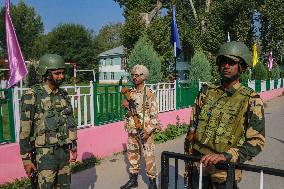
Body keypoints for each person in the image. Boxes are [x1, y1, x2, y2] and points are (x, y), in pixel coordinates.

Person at [184, 41, 265, 189]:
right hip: (198, 163)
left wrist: (226, 156)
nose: (226, 66)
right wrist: (188, 156)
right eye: (223, 62)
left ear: (242, 67)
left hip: (224, 169)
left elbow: (257, 141)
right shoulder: (206, 91)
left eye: (231, 62)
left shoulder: (250, 99)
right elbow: (193, 126)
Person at [19, 54, 78, 189]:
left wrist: (73, 145)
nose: (61, 76)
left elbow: (70, 121)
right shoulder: (32, 95)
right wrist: (26, 159)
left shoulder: (63, 94)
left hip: (63, 152)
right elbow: (25, 130)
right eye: (57, 73)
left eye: (62, 73)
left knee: (64, 186)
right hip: (44, 155)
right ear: (45, 73)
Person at [120, 64, 160, 189]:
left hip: (144, 132)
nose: (134, 77)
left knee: (149, 158)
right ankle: (133, 180)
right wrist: (125, 106)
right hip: (132, 131)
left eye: (137, 75)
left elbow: (154, 117)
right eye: (133, 75)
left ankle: (152, 183)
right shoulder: (130, 93)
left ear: (144, 77)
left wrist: (148, 131)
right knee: (132, 156)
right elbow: (129, 113)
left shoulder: (149, 94)